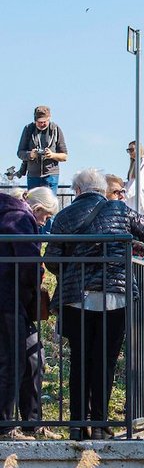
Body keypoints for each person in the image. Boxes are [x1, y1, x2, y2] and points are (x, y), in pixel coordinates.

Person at [45, 168, 144, 440]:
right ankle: (101, 424)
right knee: (106, 361)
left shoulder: (64, 216)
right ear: (103, 190)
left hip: (77, 297)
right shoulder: (119, 209)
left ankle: (78, 425)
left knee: (79, 360)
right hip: (115, 294)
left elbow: (52, 260)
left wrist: (71, 272)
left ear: (77, 191)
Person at [0, 187, 58, 439]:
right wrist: (37, 280)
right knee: (12, 360)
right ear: (36, 208)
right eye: (44, 216)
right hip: (8, 298)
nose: (44, 222)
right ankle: (5, 426)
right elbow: (27, 263)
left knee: (34, 357)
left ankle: (32, 423)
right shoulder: (19, 216)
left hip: (16, 300)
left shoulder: (14, 214)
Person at [17, 106, 68, 194]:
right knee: (33, 205)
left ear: (49, 119)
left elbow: (65, 156)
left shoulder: (55, 129)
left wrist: (52, 155)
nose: (42, 124)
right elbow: (20, 153)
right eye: (39, 122)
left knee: (49, 204)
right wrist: (30, 155)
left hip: (51, 175)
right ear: (35, 120)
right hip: (33, 176)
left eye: (44, 122)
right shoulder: (28, 129)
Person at [124, 140, 144, 215]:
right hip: (135, 204)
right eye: (128, 150)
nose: (130, 153)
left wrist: (126, 194)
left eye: (131, 150)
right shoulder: (134, 164)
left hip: (142, 203)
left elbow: (140, 180)